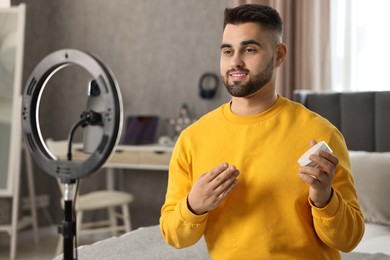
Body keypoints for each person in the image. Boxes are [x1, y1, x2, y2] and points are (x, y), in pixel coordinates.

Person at [160, 4, 364, 259]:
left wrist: (324, 198)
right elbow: (173, 236)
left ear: (279, 55)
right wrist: (194, 206)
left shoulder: (320, 133)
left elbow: (349, 240)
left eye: (250, 49)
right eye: (227, 51)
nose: (235, 61)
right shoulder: (192, 138)